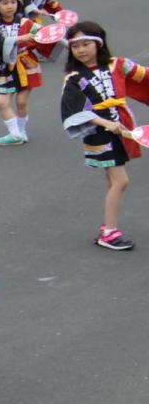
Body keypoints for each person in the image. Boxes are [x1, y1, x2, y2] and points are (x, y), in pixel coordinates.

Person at [59, 21, 149, 251]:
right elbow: (75, 111)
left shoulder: (118, 64)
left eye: (86, 44)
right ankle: (109, 232)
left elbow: (144, 76)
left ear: (98, 44)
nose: (81, 50)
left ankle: (109, 227)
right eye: (76, 46)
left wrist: (116, 123)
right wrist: (106, 122)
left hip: (120, 125)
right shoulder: (74, 77)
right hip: (98, 132)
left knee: (112, 180)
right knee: (121, 180)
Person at [0, 0, 62, 147]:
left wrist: (60, 37)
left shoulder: (26, 23)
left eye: (13, 2)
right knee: (2, 101)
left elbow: (44, 34)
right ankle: (15, 134)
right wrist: (19, 39)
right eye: (5, 3)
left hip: (26, 64)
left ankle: (21, 132)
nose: (9, 6)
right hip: (7, 67)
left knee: (21, 102)